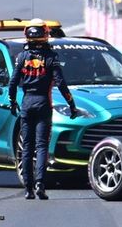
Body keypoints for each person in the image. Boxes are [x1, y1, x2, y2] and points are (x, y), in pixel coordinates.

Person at [8, 19, 78, 200]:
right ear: (45, 34)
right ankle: (40, 184)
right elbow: (61, 83)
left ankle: (28, 189)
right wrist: (71, 105)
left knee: (27, 147)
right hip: (43, 104)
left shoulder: (21, 57)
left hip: (26, 103)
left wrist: (12, 101)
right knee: (41, 146)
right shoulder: (51, 57)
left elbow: (13, 83)